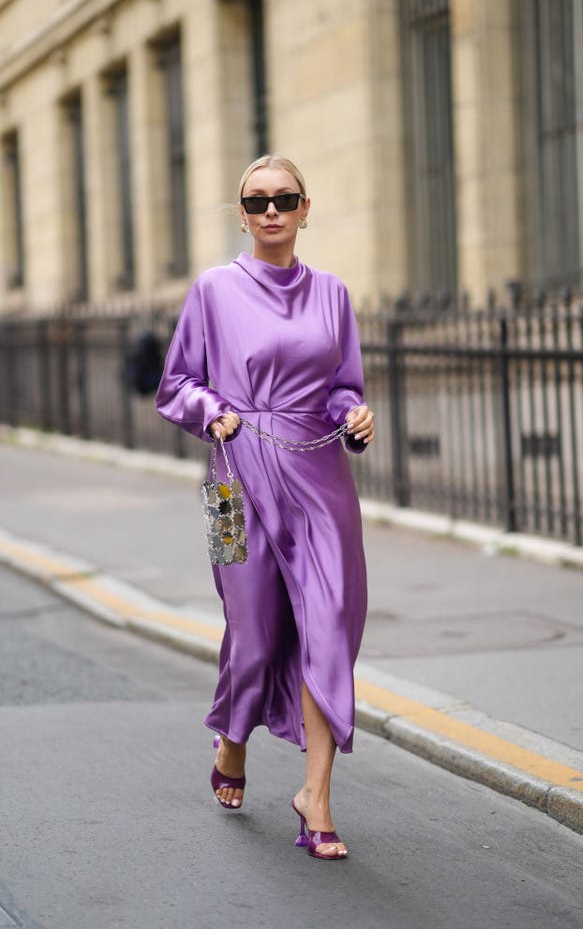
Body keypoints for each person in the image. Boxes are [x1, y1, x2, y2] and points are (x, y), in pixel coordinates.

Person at [155, 154, 375, 860]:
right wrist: (211, 410)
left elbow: (342, 387)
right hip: (232, 476)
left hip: (320, 476)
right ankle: (233, 740)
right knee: (251, 633)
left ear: (306, 208)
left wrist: (356, 414)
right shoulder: (213, 290)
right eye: (256, 202)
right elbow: (175, 384)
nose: (271, 211)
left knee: (326, 624)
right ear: (242, 214)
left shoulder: (333, 293)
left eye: (285, 199)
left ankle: (316, 797)